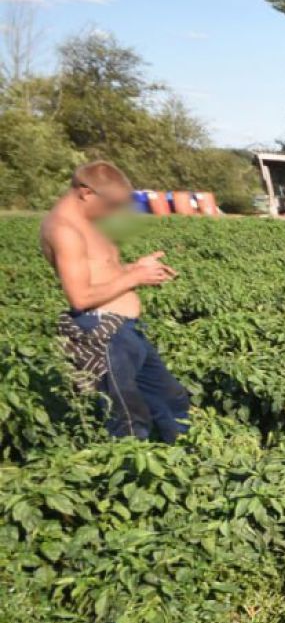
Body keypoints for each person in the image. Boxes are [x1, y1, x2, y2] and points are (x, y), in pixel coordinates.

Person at [39, 161, 189, 442]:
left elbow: (101, 272)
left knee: (172, 399)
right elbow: (80, 297)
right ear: (86, 192)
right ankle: (133, 467)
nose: (114, 212)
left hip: (127, 330)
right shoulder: (64, 230)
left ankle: (182, 457)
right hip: (104, 333)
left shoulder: (88, 222)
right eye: (111, 204)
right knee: (128, 418)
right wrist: (135, 278)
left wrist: (134, 268)